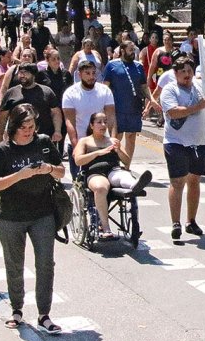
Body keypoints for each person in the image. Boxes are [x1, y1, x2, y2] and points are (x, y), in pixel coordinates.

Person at [0, 104, 65, 334]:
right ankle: (17, 309)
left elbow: (61, 172)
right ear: (14, 127)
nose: (29, 131)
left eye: (32, 127)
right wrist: (20, 175)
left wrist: (48, 168)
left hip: (42, 213)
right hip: (11, 215)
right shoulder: (4, 150)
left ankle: (44, 314)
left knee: (45, 264)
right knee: (14, 264)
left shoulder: (43, 143)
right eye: (24, 127)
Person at [73, 112, 151, 241]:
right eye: (99, 122)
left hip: (113, 170)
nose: (103, 125)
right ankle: (106, 228)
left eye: (105, 122)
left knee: (122, 176)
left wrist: (118, 150)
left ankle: (135, 185)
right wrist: (98, 153)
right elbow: (78, 160)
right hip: (95, 173)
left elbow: (126, 161)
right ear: (92, 125)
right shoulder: (85, 141)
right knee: (101, 187)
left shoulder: (113, 141)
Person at [160, 56, 205, 240]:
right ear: (176, 73)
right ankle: (176, 222)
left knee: (194, 180)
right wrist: (197, 107)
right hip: (176, 141)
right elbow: (173, 112)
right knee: (178, 182)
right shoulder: (170, 90)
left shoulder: (198, 86)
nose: (187, 75)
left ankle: (191, 221)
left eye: (189, 71)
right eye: (183, 72)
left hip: (198, 142)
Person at [102, 40, 160, 163]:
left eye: (134, 50)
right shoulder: (112, 65)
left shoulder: (138, 66)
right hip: (117, 108)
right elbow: (105, 87)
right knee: (116, 137)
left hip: (134, 107)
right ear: (122, 51)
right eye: (130, 50)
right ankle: (114, 164)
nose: (133, 52)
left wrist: (153, 101)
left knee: (131, 136)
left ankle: (127, 166)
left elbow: (144, 87)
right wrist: (103, 106)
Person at [62, 60, 116, 178]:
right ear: (79, 74)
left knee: (103, 176)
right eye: (87, 73)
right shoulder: (70, 93)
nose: (91, 77)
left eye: (93, 73)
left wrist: (112, 139)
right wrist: (76, 145)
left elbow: (111, 117)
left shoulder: (105, 91)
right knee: (78, 179)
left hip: (101, 142)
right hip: (79, 141)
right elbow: (70, 122)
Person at [0, 63, 63, 147]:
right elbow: (3, 117)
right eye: (20, 72)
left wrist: (57, 131)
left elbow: (56, 112)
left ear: (34, 75)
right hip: (17, 140)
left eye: (25, 73)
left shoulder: (46, 92)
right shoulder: (11, 93)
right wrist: (0, 138)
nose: (22, 75)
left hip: (42, 140)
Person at [38, 50, 74, 154]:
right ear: (47, 60)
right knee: (50, 131)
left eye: (58, 58)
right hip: (48, 108)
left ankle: (61, 152)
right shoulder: (41, 75)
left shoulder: (65, 74)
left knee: (63, 130)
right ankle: (51, 153)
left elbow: (70, 90)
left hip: (63, 106)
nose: (57, 61)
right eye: (53, 59)